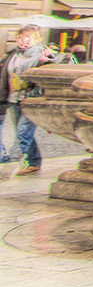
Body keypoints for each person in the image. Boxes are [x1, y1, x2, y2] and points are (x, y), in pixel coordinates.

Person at [1, 23, 58, 175]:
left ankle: (17, 162)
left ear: (36, 39)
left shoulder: (43, 53)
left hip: (32, 100)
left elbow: (54, 64)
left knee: (22, 133)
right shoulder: (14, 54)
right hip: (14, 99)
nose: (23, 41)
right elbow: (5, 76)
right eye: (20, 38)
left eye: (27, 38)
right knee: (23, 133)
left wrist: (44, 60)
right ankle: (33, 161)